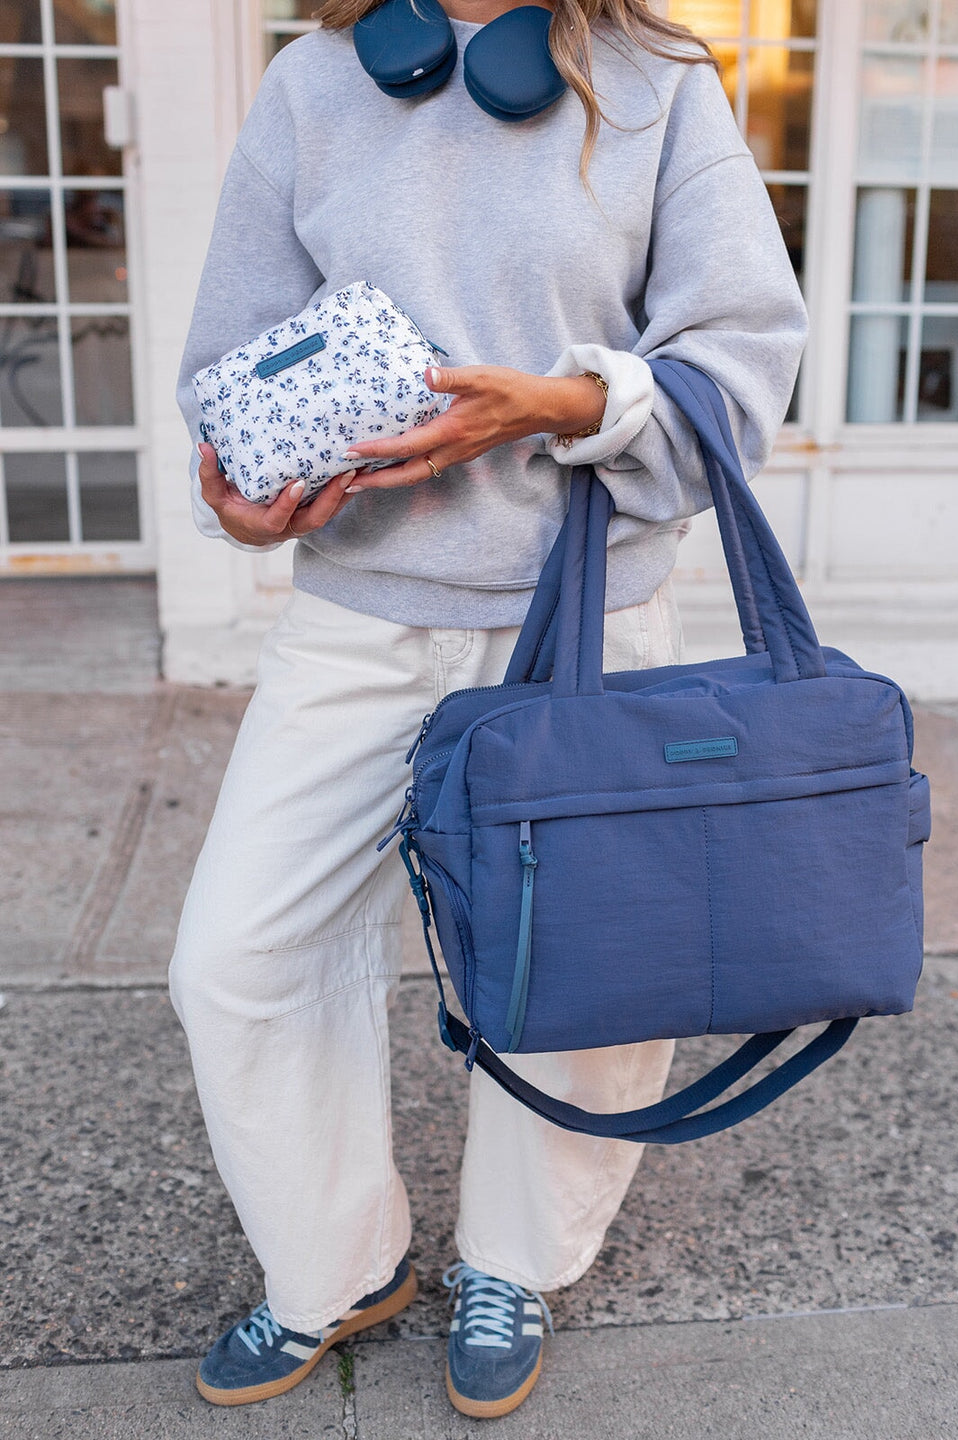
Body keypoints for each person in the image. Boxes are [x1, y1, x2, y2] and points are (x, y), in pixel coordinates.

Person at [171, 0, 806, 1419]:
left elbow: (745, 364)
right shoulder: (314, 84)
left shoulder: (658, 88)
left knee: (581, 963)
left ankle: (513, 1261)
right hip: (359, 615)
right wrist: (240, 491)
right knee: (237, 958)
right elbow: (232, 359)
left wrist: (557, 402)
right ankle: (334, 1266)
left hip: (580, 615)